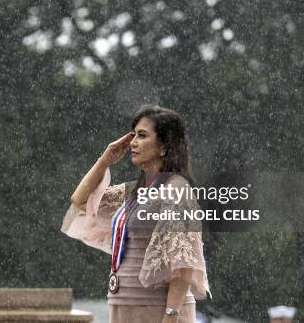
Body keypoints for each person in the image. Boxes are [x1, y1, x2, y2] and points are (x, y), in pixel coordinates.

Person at [61, 104, 210, 323]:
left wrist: (171, 315)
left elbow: (184, 262)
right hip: (124, 303)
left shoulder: (177, 190)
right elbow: (81, 200)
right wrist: (106, 159)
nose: (132, 143)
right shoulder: (134, 191)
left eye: (142, 136)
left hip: (159, 310)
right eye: (133, 135)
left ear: (163, 147)